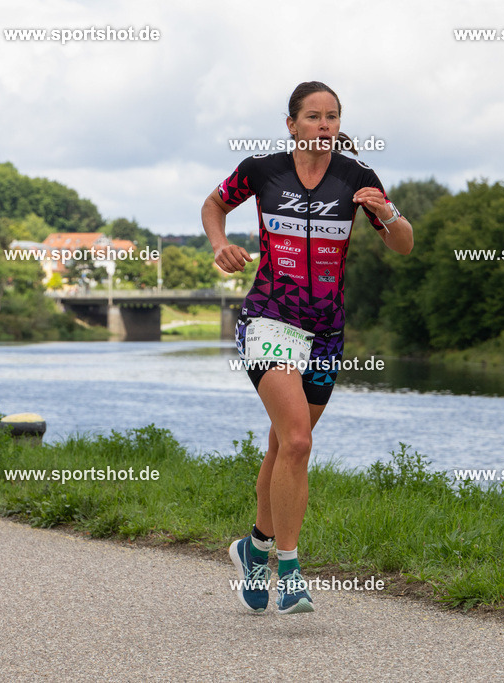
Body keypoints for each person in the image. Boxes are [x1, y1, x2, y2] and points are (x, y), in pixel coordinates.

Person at [202, 81, 414, 614]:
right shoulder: (262, 170)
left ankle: (253, 548)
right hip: (269, 319)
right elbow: (213, 204)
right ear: (292, 123)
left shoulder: (358, 178)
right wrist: (219, 244)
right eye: (313, 116)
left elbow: (404, 243)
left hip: (326, 331)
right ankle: (290, 569)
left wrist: (386, 213)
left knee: (282, 447)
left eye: (333, 116)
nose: (324, 125)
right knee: (297, 441)